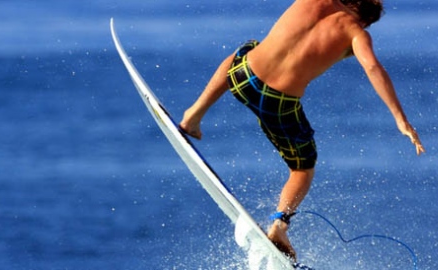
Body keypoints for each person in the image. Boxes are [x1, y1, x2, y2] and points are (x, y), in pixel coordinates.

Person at [179, 0, 425, 261]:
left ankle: (193, 116)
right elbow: (373, 67)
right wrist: (400, 119)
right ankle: (279, 224)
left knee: (244, 52)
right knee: (302, 168)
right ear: (365, 20)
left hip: (242, 78)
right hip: (277, 103)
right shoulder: (356, 33)